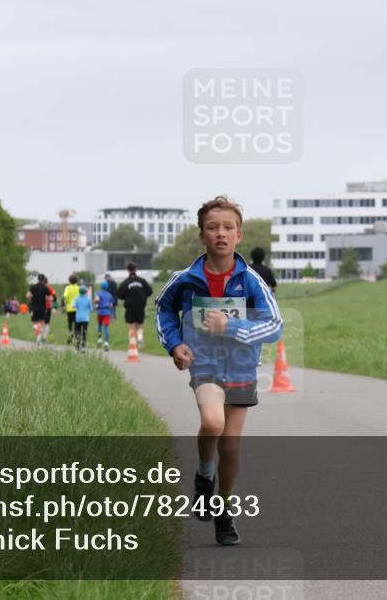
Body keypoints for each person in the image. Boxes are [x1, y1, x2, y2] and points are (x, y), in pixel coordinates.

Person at [156, 195, 282, 546]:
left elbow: (274, 325)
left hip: (241, 368)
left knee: (230, 445)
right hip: (205, 366)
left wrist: (231, 327)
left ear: (239, 235)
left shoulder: (251, 281)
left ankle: (223, 511)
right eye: (213, 228)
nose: (220, 234)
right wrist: (175, 344)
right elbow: (163, 310)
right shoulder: (184, 279)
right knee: (213, 422)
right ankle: (203, 476)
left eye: (228, 227)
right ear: (202, 236)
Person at [118, 263, 153, 349]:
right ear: (136, 269)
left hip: (130, 307)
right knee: (140, 325)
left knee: (131, 326)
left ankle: (132, 342)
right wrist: (143, 295)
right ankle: (140, 340)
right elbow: (150, 291)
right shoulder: (142, 281)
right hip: (141, 306)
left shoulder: (125, 282)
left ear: (128, 270)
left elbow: (119, 295)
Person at [28, 274, 53, 345]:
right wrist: (46, 298)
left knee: (34, 323)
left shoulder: (33, 287)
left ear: (38, 279)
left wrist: (32, 296)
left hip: (34, 307)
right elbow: (51, 298)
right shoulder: (45, 288)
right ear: (43, 280)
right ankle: (38, 338)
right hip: (43, 308)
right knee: (42, 323)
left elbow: (28, 295)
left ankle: (38, 335)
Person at [94, 281, 114, 351]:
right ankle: (106, 343)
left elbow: (97, 300)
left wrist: (96, 302)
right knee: (106, 327)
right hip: (107, 312)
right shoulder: (109, 295)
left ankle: (99, 340)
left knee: (99, 325)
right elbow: (111, 305)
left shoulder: (98, 293)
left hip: (100, 311)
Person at [73, 284, 93, 351]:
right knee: (84, 332)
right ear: (86, 291)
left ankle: (77, 346)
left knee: (77, 332)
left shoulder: (76, 298)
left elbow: (74, 306)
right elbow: (91, 309)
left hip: (78, 318)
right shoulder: (88, 299)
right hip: (85, 318)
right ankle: (83, 346)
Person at [63, 273, 80, 344]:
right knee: (76, 324)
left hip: (69, 308)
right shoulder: (78, 288)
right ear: (76, 280)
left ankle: (70, 336)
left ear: (69, 280)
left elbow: (65, 295)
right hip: (77, 308)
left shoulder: (67, 287)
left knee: (70, 323)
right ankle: (77, 338)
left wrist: (66, 301)